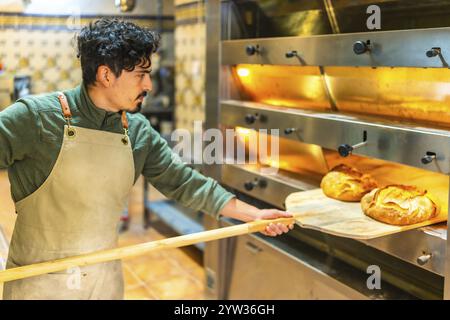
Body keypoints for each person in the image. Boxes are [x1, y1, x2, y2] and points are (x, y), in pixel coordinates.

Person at [0, 18, 293, 300]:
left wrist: (254, 215)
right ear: (105, 75)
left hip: (104, 278)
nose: (149, 85)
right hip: (38, 284)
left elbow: (183, 182)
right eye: (141, 74)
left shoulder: (137, 131)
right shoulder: (35, 118)